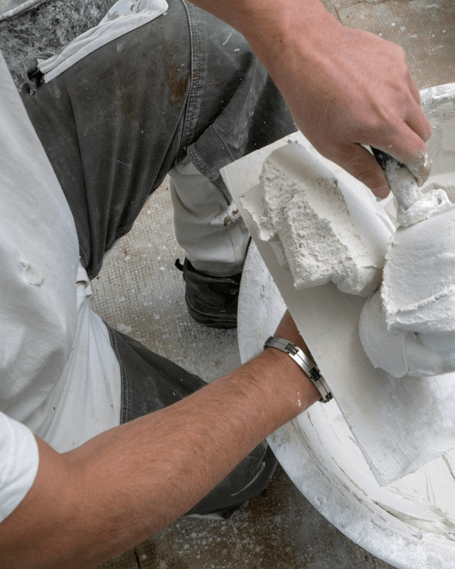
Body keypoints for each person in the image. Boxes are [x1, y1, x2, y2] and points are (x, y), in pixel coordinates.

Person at [0, 0, 431, 566]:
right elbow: (57, 521)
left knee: (224, 50)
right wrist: (298, 362)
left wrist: (298, 33)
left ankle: (220, 287)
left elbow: (280, 33)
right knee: (248, 461)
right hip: (31, 398)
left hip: (21, 193)